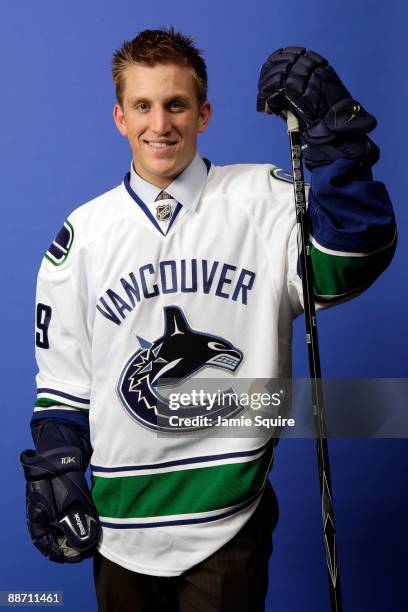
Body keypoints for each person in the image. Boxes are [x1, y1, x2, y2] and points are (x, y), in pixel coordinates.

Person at [20, 28, 396, 612]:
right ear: (121, 117)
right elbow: (64, 381)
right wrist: (56, 464)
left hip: (228, 522)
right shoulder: (83, 236)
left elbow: (351, 257)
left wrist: (335, 145)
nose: (160, 124)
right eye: (143, 106)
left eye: (176, 104)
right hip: (119, 524)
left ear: (204, 113)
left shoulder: (267, 201)